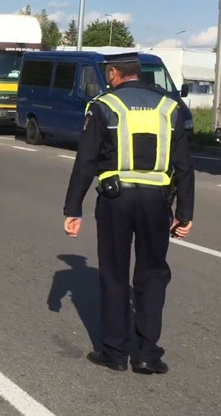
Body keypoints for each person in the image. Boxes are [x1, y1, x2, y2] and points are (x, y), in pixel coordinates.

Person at [62, 52, 195, 375]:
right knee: (152, 274)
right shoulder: (170, 107)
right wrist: (185, 212)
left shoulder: (104, 105)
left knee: (114, 274)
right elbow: (185, 167)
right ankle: (147, 354)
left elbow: (86, 161)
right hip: (156, 203)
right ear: (139, 72)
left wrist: (73, 208)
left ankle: (115, 352)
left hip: (115, 201)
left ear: (113, 73)